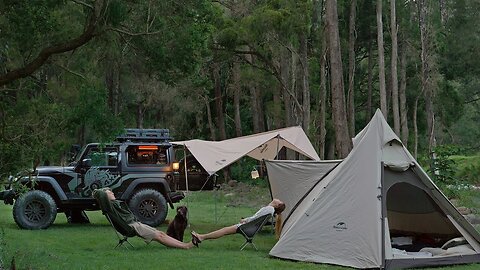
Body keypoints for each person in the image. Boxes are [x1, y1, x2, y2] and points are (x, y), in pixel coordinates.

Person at [92, 188, 195, 249]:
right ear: (105, 196)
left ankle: (184, 244)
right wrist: (98, 191)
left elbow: (104, 192)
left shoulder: (113, 203)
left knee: (161, 233)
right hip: (132, 226)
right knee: (159, 236)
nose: (112, 193)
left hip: (135, 223)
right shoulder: (108, 207)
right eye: (110, 192)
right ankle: (185, 246)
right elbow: (99, 193)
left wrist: (106, 191)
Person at [191, 199, 285, 245]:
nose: (277, 199)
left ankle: (202, 237)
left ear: (277, 205)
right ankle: (202, 237)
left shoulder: (269, 209)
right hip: (249, 226)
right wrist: (246, 220)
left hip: (247, 227)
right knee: (225, 230)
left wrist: (245, 221)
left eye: (279, 200)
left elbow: (255, 218)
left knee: (224, 230)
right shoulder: (270, 209)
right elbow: (257, 218)